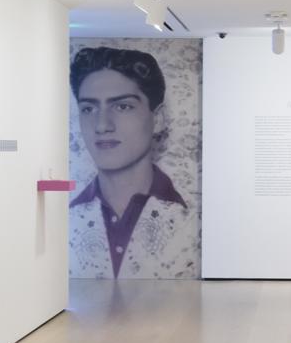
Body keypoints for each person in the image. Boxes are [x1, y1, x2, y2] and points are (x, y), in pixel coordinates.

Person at [68, 47, 195, 279]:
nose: (102, 125)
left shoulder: (191, 215)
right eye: (88, 108)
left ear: (157, 119)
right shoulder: (69, 213)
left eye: (122, 106)